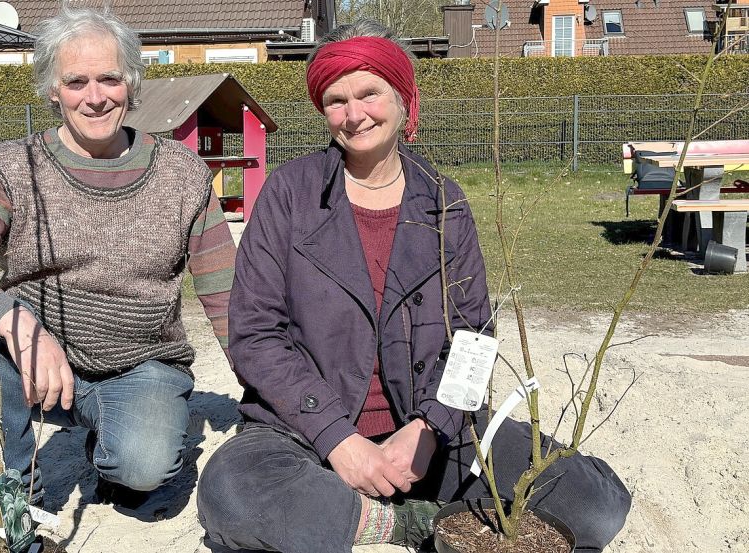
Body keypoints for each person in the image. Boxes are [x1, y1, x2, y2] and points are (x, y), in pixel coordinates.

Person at [196, 20, 631, 553]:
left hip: (429, 438)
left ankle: (373, 509)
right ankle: (399, 523)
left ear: (403, 99)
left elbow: (475, 335)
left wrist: (431, 425)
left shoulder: (444, 203)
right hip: (306, 437)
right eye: (336, 100)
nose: (354, 115)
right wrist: (338, 438)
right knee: (231, 494)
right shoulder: (289, 194)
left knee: (593, 506)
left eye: (369, 93)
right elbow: (256, 335)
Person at [0, 6, 235, 550]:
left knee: (144, 471)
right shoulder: (12, 168)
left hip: (140, 363)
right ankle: (7, 493)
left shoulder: (182, 173)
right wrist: (12, 317)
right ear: (52, 91)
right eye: (76, 81)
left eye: (109, 78)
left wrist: (266, 395)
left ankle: (112, 444)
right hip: (34, 365)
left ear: (132, 85)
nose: (95, 95)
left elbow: (227, 293)